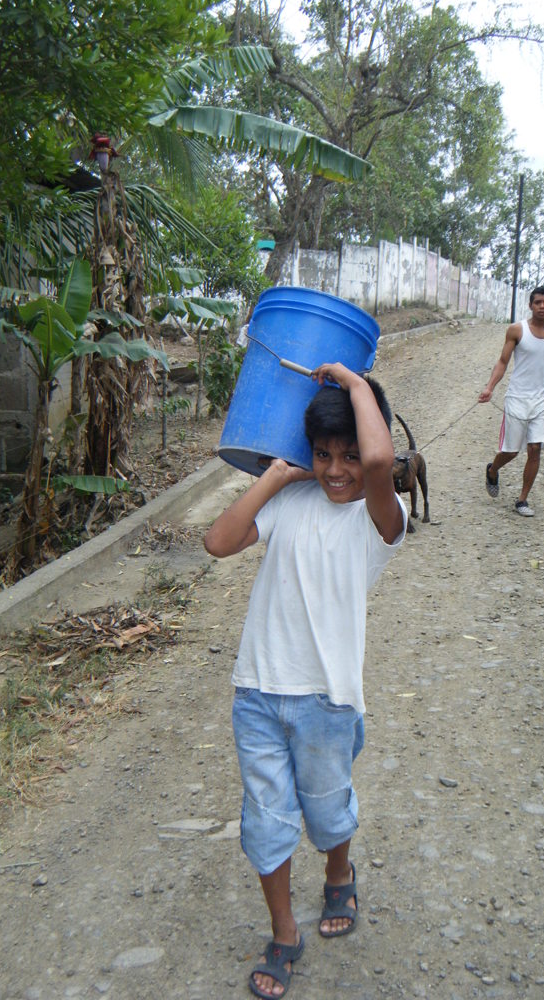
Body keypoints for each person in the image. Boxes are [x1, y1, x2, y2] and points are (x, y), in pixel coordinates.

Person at [204, 362, 407, 999]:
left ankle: (339, 871)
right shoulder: (290, 501)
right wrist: (276, 475)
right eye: (322, 454)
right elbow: (218, 541)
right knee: (267, 820)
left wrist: (353, 383)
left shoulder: (382, 516)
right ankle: (284, 931)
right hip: (259, 691)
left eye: (347, 453)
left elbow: (378, 464)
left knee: (326, 809)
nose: (337, 469)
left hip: (327, 699)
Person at [477, 286, 544, 516]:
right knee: (511, 451)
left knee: (535, 449)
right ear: (530, 305)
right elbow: (503, 361)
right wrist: (490, 388)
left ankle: (522, 500)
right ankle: (493, 469)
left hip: (542, 401)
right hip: (517, 398)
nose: (542, 306)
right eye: (538, 302)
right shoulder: (517, 330)